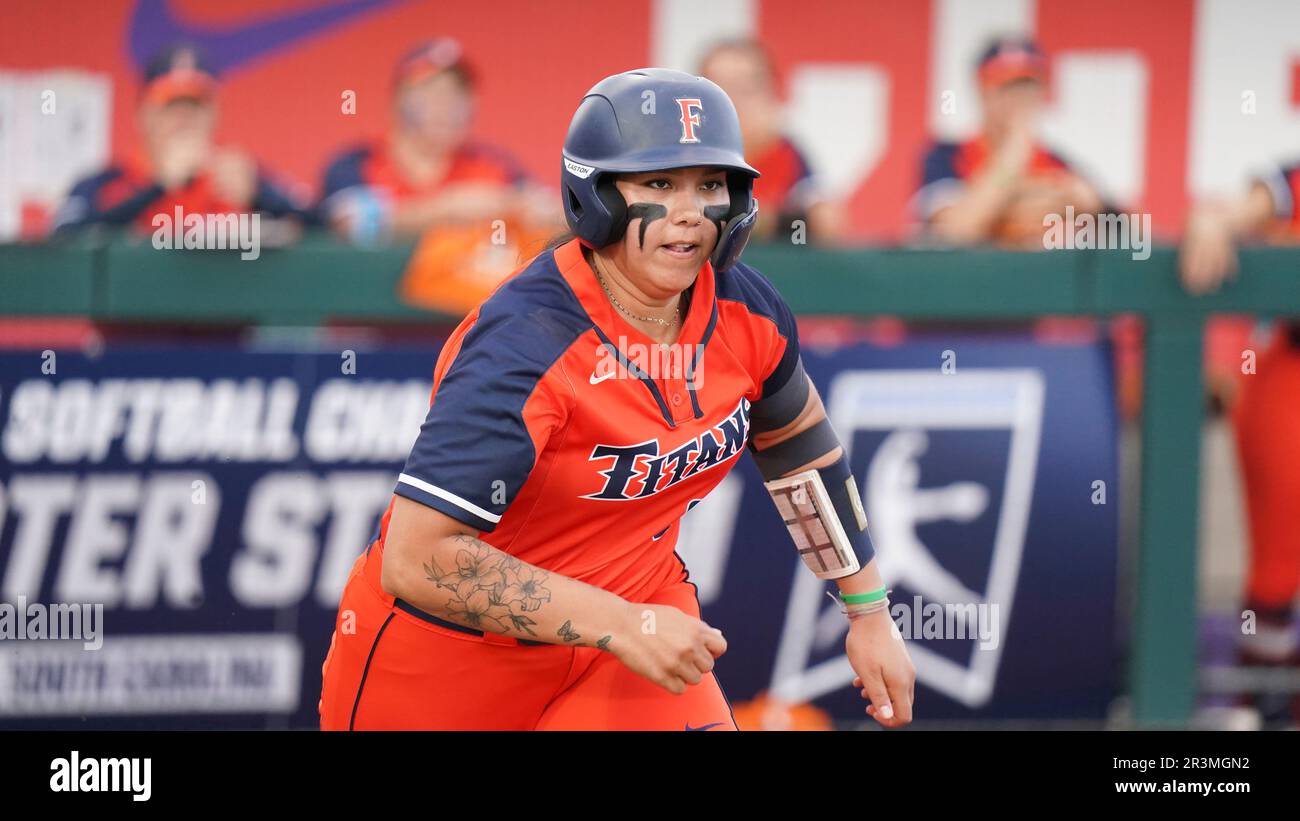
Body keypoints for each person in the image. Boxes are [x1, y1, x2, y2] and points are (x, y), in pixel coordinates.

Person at [318, 68, 915, 730]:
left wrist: (867, 611)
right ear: (596, 194)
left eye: (709, 184)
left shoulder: (748, 310)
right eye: (659, 183)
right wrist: (617, 622)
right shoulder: (527, 341)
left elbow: (798, 447)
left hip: (633, 624)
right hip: (452, 658)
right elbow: (416, 554)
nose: (689, 211)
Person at [1180, 160, 1300, 725]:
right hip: (1288, 371)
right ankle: (1267, 706)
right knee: (1277, 567)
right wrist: (1212, 219)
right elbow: (1247, 206)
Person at [318, 37, 557, 243]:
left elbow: (552, 210)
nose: (445, 106)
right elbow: (348, 221)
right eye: (431, 92)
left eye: (457, 95)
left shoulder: (494, 164)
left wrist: (519, 206)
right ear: (398, 101)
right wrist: (450, 209)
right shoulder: (355, 163)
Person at [52, 44, 306, 236]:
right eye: (171, 105)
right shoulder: (109, 181)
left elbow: (320, 223)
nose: (184, 118)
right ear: (143, 115)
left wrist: (259, 197)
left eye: (195, 105)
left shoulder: (244, 176)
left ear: (214, 115)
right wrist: (157, 188)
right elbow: (65, 233)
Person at [913, 36, 1103, 248]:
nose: (1018, 98)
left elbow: (1101, 210)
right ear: (982, 91)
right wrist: (1015, 151)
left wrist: (997, 205)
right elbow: (956, 230)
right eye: (1005, 86)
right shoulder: (945, 155)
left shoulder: (1055, 161)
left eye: (1027, 86)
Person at [697, 38, 846, 244]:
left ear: (771, 94)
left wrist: (767, 220)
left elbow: (828, 223)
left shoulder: (787, 155)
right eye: (718, 90)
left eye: (745, 89)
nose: (731, 102)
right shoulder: (685, 157)